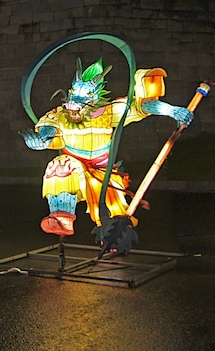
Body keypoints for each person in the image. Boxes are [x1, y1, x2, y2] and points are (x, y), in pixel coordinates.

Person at [21, 58, 192, 237]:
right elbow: (49, 129)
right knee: (61, 166)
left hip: (103, 170)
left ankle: (115, 240)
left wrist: (172, 110)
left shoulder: (108, 112)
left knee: (114, 214)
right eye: (73, 94)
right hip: (74, 168)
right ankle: (61, 220)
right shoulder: (60, 115)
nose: (74, 103)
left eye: (83, 97)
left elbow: (141, 106)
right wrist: (42, 140)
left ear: (95, 97)